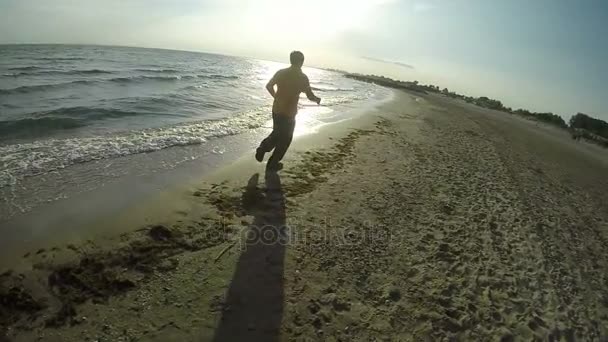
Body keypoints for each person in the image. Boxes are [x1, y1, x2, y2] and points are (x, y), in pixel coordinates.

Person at [255, 51, 321, 171]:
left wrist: (276, 97)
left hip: (277, 108)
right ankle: (272, 162)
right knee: (286, 138)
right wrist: (316, 99)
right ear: (301, 62)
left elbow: (269, 86)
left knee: (277, 132)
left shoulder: (281, 72)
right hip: (289, 112)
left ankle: (263, 148)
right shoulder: (302, 77)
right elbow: (310, 95)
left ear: (291, 60)